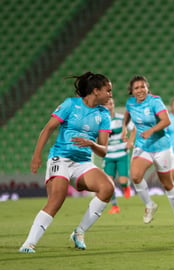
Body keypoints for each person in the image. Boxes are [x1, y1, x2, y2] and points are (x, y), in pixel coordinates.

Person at [19, 72, 114, 253]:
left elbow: (103, 150)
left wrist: (91, 144)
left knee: (107, 188)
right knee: (57, 198)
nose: (110, 94)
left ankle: (79, 232)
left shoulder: (103, 114)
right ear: (96, 91)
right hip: (61, 158)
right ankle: (29, 244)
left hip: (83, 163)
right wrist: (36, 156)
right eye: (108, 90)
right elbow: (48, 129)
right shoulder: (71, 104)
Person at [122, 75, 174, 227]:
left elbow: (166, 121)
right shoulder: (130, 103)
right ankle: (149, 205)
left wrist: (151, 131)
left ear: (147, 88)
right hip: (143, 146)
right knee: (135, 176)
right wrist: (124, 127)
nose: (140, 90)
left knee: (167, 183)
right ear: (131, 91)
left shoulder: (155, 101)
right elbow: (128, 113)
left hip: (161, 146)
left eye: (142, 87)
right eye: (136, 88)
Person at [103, 98, 136, 214]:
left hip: (122, 153)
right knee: (108, 183)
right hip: (108, 155)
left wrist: (130, 142)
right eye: (107, 104)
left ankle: (126, 186)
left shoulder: (122, 118)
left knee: (122, 180)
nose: (109, 106)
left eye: (111, 103)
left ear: (113, 105)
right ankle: (115, 206)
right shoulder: (100, 121)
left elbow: (134, 129)